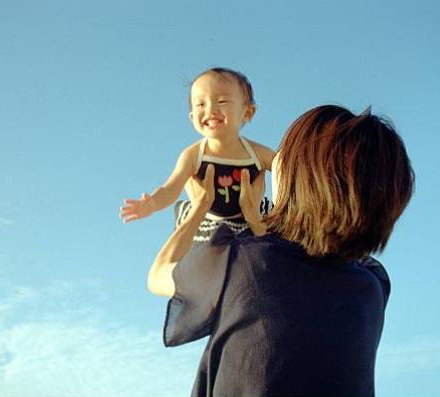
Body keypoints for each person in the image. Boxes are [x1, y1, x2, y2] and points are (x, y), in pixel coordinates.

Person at [147, 105, 415, 396]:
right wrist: (256, 221)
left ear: (300, 178)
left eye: (281, 159)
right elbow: (295, 277)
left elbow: (159, 275)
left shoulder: (239, 263)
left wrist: (200, 208)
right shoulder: (373, 285)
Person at [120, 67, 275, 241]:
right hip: (208, 223)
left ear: (247, 112)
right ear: (192, 117)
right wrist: (152, 203)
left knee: (277, 229)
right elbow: (171, 188)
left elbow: (287, 167)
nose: (210, 110)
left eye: (222, 101)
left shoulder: (258, 153)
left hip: (251, 220)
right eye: (201, 104)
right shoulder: (193, 155)